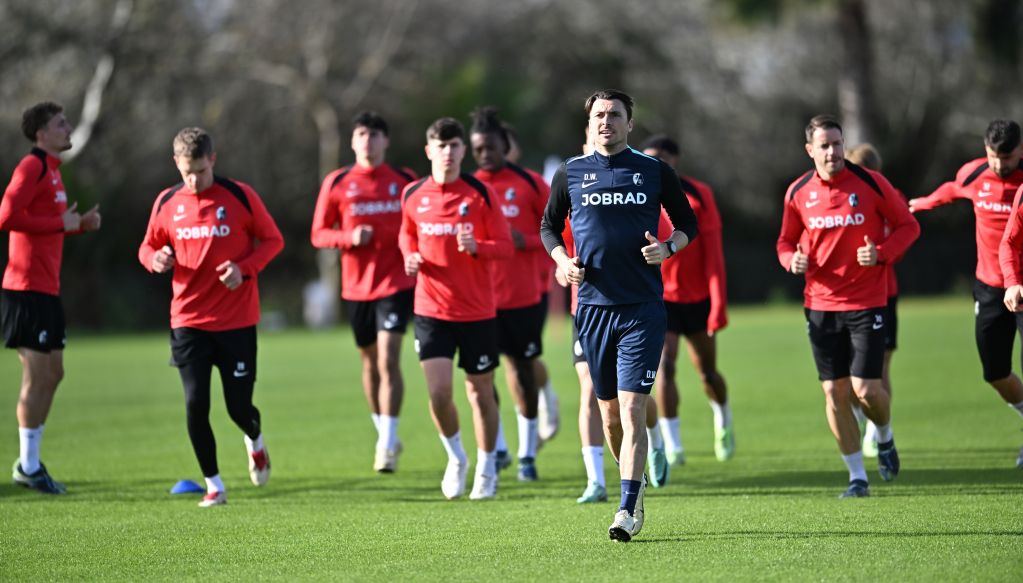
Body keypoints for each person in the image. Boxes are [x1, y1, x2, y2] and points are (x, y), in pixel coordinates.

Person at [541, 89, 698, 541]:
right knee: (609, 416)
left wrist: (668, 248)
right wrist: (561, 260)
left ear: (631, 123)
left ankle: (627, 507)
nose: (605, 121)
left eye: (614, 115)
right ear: (588, 123)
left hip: (643, 309)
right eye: (598, 115)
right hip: (591, 309)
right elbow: (549, 225)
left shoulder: (654, 171)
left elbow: (689, 224)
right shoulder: (570, 172)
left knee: (633, 408)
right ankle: (637, 477)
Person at [139, 128, 284, 507]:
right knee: (195, 404)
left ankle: (255, 440)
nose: (193, 179)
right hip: (188, 320)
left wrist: (245, 269)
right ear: (177, 164)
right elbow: (148, 245)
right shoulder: (167, 202)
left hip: (236, 322)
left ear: (213, 161)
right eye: (187, 171)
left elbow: (273, 240)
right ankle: (214, 484)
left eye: (200, 170)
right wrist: (153, 260)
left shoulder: (239, 196)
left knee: (239, 409)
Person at [777, 115, 918, 498]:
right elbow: (785, 242)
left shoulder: (871, 182)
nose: (833, 151)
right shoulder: (797, 192)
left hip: (867, 301)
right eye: (824, 145)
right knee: (834, 392)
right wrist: (791, 260)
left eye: (837, 143)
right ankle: (857, 478)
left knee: (866, 390)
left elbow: (909, 225)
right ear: (810, 150)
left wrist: (883, 254)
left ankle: (884, 436)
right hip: (820, 305)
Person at [399, 117, 513, 500]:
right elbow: (406, 233)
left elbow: (505, 245)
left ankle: (486, 466)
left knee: (480, 392)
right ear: (429, 150)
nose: (447, 152)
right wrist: (409, 256)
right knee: (439, 393)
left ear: (463, 150)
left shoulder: (480, 194)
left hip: (477, 310)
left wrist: (478, 246)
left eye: (454, 146)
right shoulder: (413, 194)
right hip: (430, 308)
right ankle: (456, 458)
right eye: (440, 146)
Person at [911, 120, 1023, 468]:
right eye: (994, 156)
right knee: (995, 372)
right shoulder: (975, 174)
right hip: (990, 287)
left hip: (1021, 285)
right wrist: (923, 203)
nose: (1000, 164)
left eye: (1007, 157)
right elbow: (951, 190)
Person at [311, 111, 417, 473]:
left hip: (396, 284)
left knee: (388, 360)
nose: (367, 141)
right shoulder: (337, 182)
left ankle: (386, 445)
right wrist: (348, 238)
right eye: (361, 134)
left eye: (374, 135)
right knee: (370, 365)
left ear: (385, 141)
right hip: (356, 288)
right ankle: (384, 431)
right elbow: (318, 233)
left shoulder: (405, 181)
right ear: (352, 141)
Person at [3, 101, 101, 494]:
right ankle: (28, 467)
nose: (68, 127)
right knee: (36, 378)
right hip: (25, 290)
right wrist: (60, 222)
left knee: (55, 374)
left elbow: (48, 226)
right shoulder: (32, 167)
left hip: (47, 289)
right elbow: (6, 217)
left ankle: (31, 461)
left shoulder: (55, 172)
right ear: (41, 133)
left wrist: (78, 226)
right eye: (61, 124)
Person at [641, 135, 733, 466]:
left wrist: (718, 303)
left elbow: (714, 254)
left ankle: (723, 418)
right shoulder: (637, 194)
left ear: (675, 159)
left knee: (707, 372)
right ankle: (672, 444)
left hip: (698, 298)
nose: (655, 162)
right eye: (648, 156)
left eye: (662, 157)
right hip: (660, 298)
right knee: (663, 368)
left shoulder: (698, 194)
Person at [470, 107, 551, 481]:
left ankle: (527, 454)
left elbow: (565, 232)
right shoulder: (467, 189)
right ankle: (499, 447)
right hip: (480, 300)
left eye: (490, 146)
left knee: (521, 372)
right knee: (484, 375)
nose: (484, 153)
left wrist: (527, 241)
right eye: (478, 148)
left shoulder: (532, 183)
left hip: (524, 296)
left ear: (504, 144)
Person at [501, 119, 561, 444]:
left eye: (504, 144)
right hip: (490, 289)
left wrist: (523, 240)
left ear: (515, 148)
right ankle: (530, 421)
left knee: (520, 360)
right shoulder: (478, 187)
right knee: (509, 363)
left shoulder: (532, 183)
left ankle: (544, 402)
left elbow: (558, 231)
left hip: (532, 285)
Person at [844, 144, 905, 458]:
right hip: (848, 296)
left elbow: (904, 236)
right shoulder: (843, 198)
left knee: (880, 367)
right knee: (852, 370)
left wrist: (879, 254)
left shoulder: (889, 196)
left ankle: (876, 430)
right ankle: (858, 419)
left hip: (883, 293)